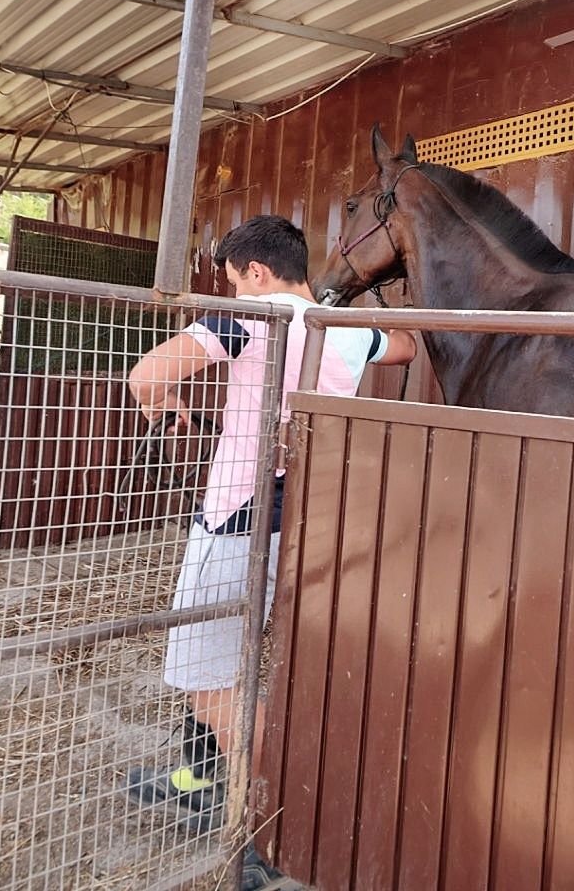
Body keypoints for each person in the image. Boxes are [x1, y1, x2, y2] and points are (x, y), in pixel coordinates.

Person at [124, 215, 415, 839]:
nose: (230, 292)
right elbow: (406, 347)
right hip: (314, 514)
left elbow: (146, 375)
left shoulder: (248, 319)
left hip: (237, 519)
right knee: (239, 659)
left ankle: (280, 820)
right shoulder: (347, 329)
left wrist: (163, 403)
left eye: (232, 280)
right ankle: (200, 775)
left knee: (208, 683)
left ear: (255, 272)